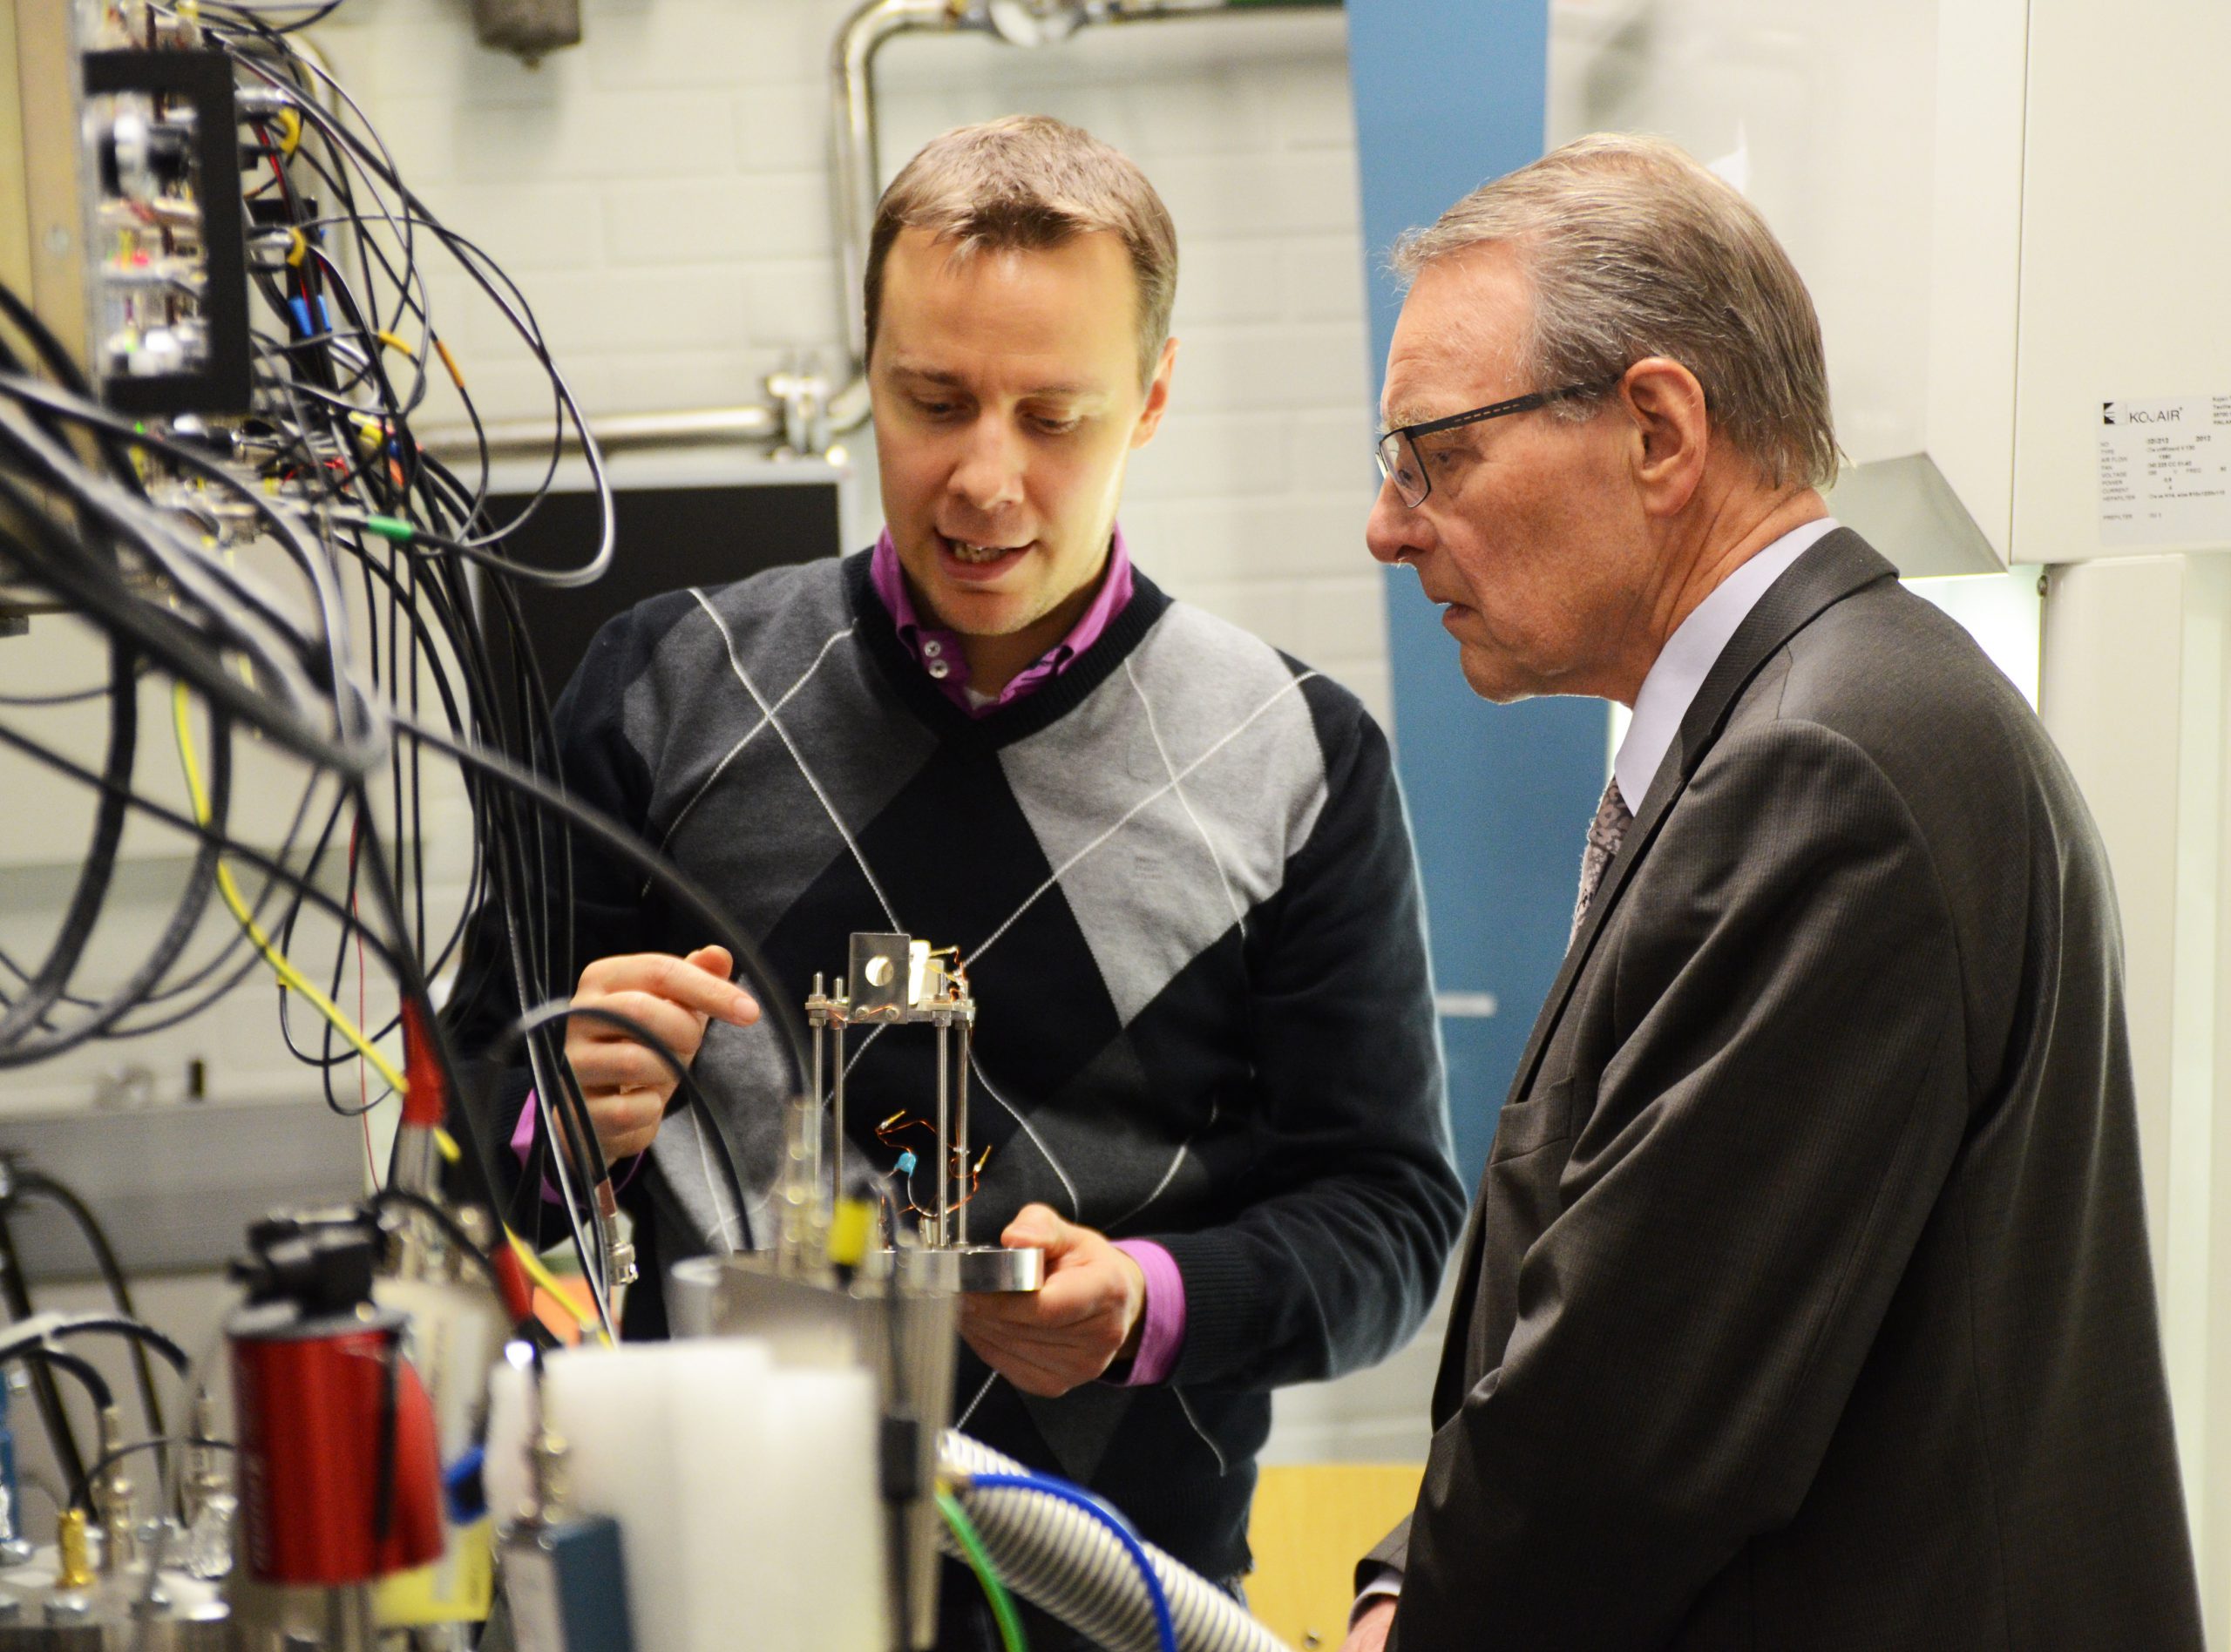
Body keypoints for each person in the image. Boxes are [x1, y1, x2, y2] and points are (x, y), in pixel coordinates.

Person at [445, 115, 1465, 1646]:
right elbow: (468, 1118)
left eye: (1055, 416)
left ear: (1155, 397)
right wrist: (551, 1115)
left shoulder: (1291, 758)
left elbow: (1387, 1221)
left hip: (1120, 1606)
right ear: (870, 373)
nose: (985, 480)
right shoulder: (663, 691)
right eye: (935, 403)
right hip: (721, 1595)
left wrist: (1145, 1306)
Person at [1342, 134, 2205, 1650]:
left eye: (1438, 452)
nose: (1391, 523)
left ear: (1659, 430)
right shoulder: (1810, 726)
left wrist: (1420, 1613)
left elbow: (1638, 1419)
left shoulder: (1826, 771)